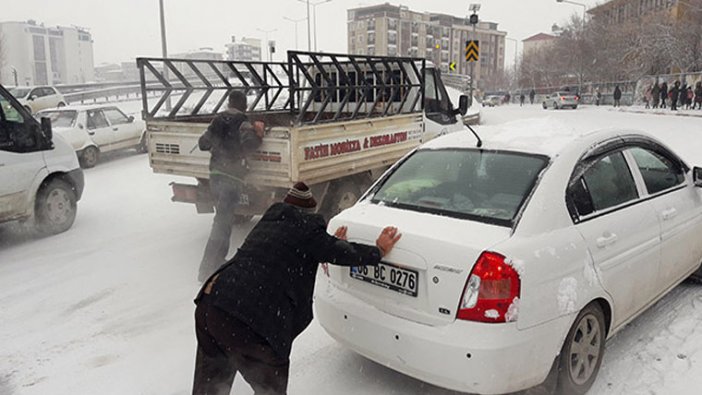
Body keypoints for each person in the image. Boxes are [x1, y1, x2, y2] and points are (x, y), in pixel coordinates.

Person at [192, 182, 402, 395]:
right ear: (310, 211)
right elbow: (341, 253)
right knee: (271, 390)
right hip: (250, 322)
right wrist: (378, 251)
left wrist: (325, 246)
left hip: (211, 303)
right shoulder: (308, 230)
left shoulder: (270, 220)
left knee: (209, 387)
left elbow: (287, 250)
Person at [198, 90, 265, 282]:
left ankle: (215, 263)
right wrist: (258, 133)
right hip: (231, 179)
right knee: (222, 224)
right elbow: (250, 144)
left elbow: (203, 143)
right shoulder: (242, 122)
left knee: (222, 221)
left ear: (229, 103)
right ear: (244, 105)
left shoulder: (218, 120)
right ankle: (207, 269)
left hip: (215, 176)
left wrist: (218, 142)